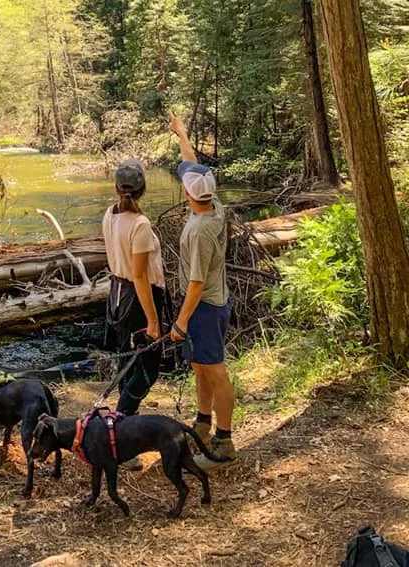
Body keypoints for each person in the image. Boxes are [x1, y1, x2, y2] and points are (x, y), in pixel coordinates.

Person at [167, 111, 236, 470]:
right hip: (211, 302)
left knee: (215, 370)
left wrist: (180, 323)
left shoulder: (198, 232)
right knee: (201, 366)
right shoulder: (214, 207)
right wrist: (182, 134)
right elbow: (192, 166)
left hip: (204, 306)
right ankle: (203, 423)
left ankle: (223, 442)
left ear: (187, 194)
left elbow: (195, 284)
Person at [102, 158, 167, 469]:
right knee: (146, 370)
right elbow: (140, 276)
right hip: (137, 299)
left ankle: (125, 427)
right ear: (143, 189)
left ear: (117, 188)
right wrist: (153, 321)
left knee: (129, 365)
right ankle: (121, 439)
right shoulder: (139, 225)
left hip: (116, 295)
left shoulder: (110, 215)